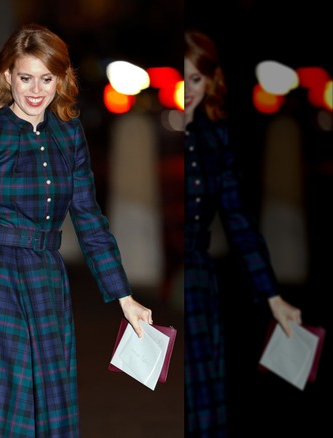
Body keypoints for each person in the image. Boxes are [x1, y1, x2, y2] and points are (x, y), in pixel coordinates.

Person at [0, 23, 154, 437]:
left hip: (48, 281)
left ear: (61, 79)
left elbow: (89, 220)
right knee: (8, 402)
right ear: (6, 77)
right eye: (26, 77)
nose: (36, 90)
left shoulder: (69, 134)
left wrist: (124, 296)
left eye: (47, 78)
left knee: (49, 400)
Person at [183, 28, 302, 437]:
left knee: (204, 409)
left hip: (199, 282)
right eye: (182, 80)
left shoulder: (215, 138)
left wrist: (273, 296)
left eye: (196, 79)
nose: (188, 91)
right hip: (167, 279)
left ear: (210, 80)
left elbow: (239, 222)